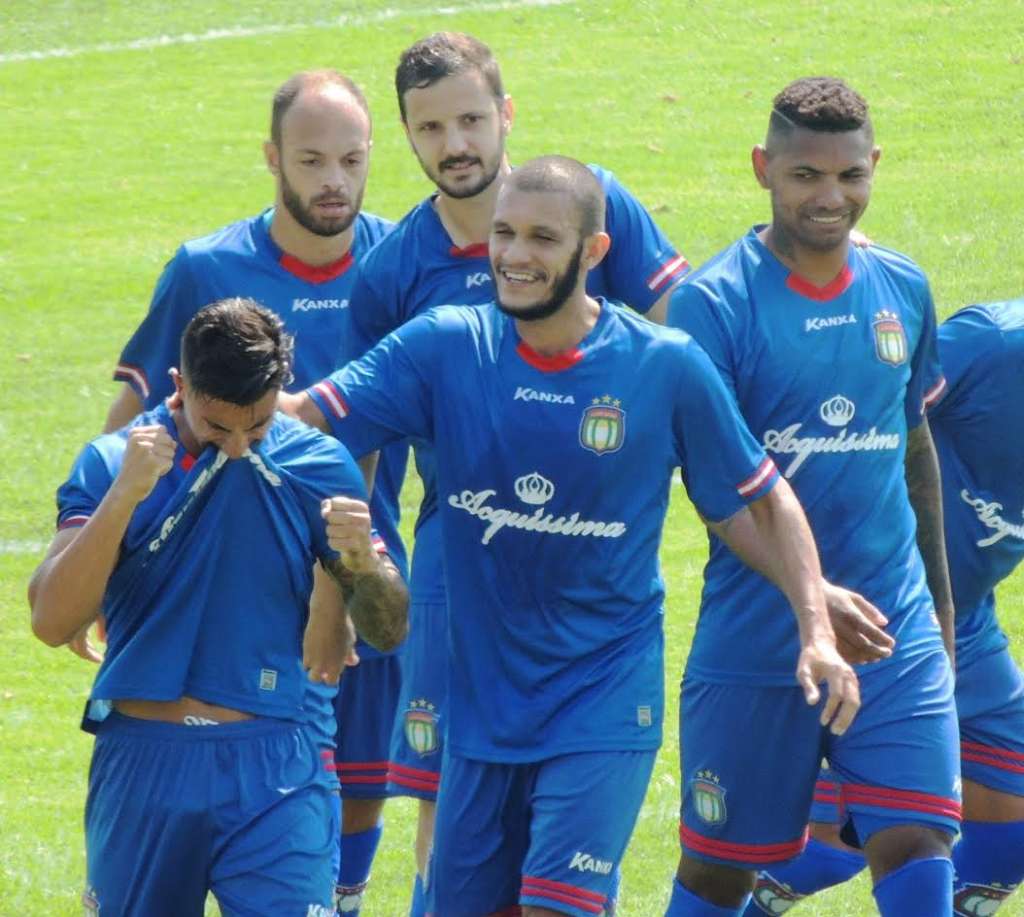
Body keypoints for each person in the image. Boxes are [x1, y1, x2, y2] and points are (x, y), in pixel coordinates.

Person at [284, 154, 860, 917]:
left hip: (603, 700)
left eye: (542, 239)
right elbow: (306, 417)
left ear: (592, 252)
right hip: (483, 708)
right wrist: (200, 400)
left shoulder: (663, 366)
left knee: (560, 904)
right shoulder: (446, 346)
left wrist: (814, 624)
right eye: (504, 234)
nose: (515, 256)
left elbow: (764, 497)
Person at [330, 32, 690, 912]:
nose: (454, 144)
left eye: (470, 119)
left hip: (589, 569)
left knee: (563, 830)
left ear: (506, 115)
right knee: (445, 812)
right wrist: (340, 588)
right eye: (430, 127)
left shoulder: (591, 205)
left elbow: (688, 338)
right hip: (462, 571)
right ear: (406, 137)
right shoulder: (391, 272)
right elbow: (360, 446)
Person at [99, 69, 405, 912]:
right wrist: (100, 538)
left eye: (351, 158)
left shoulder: (398, 262)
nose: (333, 181)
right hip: (220, 582)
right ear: (273, 158)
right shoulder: (207, 267)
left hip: (361, 559)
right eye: (311, 160)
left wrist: (338, 590)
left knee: (363, 774)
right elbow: (129, 416)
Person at [664, 77, 961, 917]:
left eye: (850, 176)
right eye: (805, 176)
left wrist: (937, 614)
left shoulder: (903, 288)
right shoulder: (713, 306)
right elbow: (717, 494)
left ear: (875, 167)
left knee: (918, 838)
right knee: (719, 870)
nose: (831, 197)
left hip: (889, 624)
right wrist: (815, 602)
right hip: (757, 634)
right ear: (764, 168)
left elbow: (915, 449)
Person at [28, 298, 408, 917]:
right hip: (145, 761)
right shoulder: (112, 463)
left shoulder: (318, 463)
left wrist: (364, 569)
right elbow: (51, 620)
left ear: (281, 389)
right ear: (180, 386)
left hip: (280, 762)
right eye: (216, 427)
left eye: (255, 428)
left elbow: (388, 630)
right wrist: (125, 496)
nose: (236, 448)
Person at [744, 298, 1024, 917]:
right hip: (875, 610)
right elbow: (872, 399)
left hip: (966, 620)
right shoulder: (999, 346)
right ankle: (737, 897)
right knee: (842, 841)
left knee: (1010, 828)